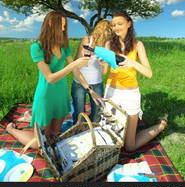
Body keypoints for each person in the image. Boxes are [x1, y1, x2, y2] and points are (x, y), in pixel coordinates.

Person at [6, 11, 101, 149]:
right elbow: (50, 78)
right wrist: (74, 64)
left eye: (64, 26)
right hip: (46, 96)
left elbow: (76, 71)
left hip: (61, 95)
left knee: (54, 136)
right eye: (61, 25)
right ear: (50, 24)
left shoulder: (64, 46)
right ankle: (11, 129)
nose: (63, 29)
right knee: (40, 143)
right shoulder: (37, 47)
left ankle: (29, 117)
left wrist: (89, 89)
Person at [103, 11, 167, 152]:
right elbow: (103, 71)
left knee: (129, 146)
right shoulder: (109, 44)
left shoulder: (137, 45)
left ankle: (161, 126)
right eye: (113, 25)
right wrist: (100, 62)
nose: (116, 28)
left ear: (129, 24)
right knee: (112, 138)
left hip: (130, 95)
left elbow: (148, 73)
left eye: (120, 24)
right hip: (111, 93)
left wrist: (131, 62)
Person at [71, 20, 112, 123]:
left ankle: (94, 134)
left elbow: (103, 72)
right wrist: (85, 57)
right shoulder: (87, 40)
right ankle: (79, 132)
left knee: (97, 114)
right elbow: (75, 63)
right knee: (80, 114)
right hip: (79, 82)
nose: (104, 36)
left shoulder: (107, 45)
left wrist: (102, 62)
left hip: (97, 84)